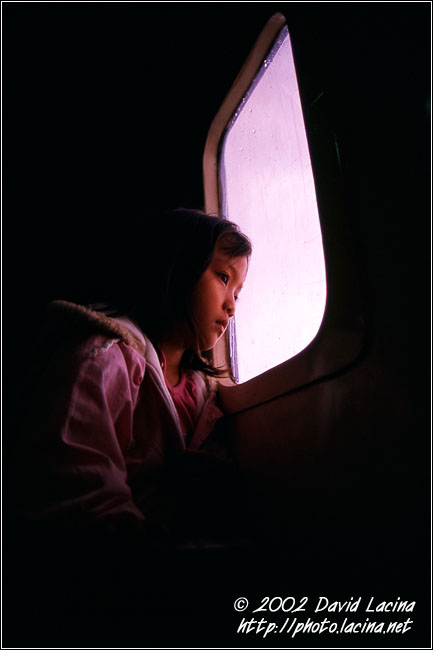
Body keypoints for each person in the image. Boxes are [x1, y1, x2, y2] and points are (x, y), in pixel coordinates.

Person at [8, 208, 252, 545]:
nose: (232, 306)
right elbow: (79, 488)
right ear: (177, 267)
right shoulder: (106, 358)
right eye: (224, 278)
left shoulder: (204, 395)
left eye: (238, 293)